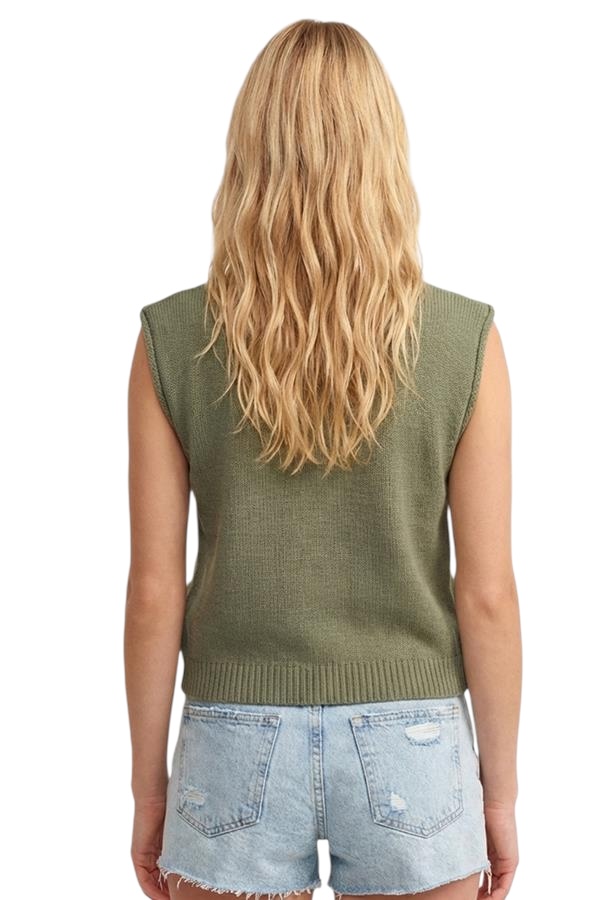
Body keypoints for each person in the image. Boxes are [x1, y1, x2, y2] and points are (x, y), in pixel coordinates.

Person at [125, 18, 521, 900]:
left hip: (230, 737)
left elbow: (154, 592)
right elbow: (487, 594)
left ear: (247, 154)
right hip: (417, 742)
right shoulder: (465, 342)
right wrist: (498, 793)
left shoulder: (172, 340)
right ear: (385, 151)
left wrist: (150, 789)